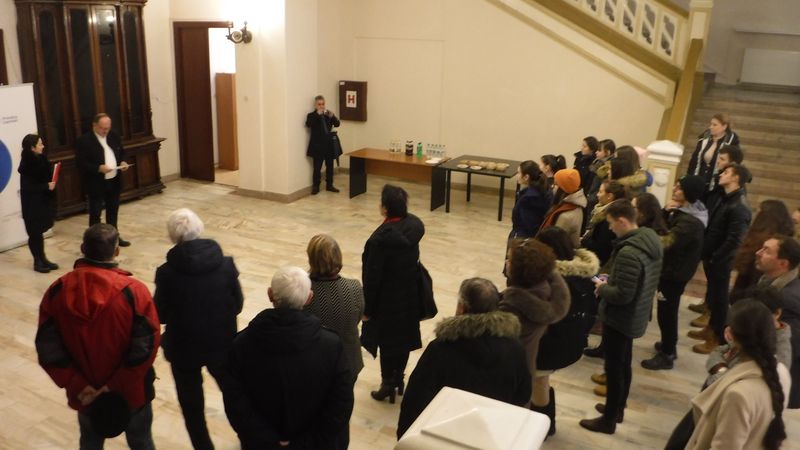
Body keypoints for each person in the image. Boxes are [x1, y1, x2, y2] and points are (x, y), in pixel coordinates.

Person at [36, 224, 160, 449]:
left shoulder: (57, 291)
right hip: (131, 391)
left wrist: (77, 384)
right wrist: (115, 385)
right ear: (117, 251)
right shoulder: (134, 291)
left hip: (86, 394)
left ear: (83, 248)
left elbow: (48, 347)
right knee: (141, 442)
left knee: (90, 443)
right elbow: (146, 346)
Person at [223, 267, 353, 449]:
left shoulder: (240, 344)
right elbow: (341, 404)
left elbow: (235, 403)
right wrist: (305, 443)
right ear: (309, 298)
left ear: (270, 294)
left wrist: (268, 440)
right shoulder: (332, 345)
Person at [153, 208, 244, 450]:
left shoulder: (166, 273)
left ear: (173, 236)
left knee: (192, 407)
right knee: (234, 395)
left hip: (183, 348)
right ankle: (249, 437)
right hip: (222, 343)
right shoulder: (226, 264)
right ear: (200, 228)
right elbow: (237, 305)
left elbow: (159, 314)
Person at [396, 278, 531, 439]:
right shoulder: (515, 348)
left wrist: (405, 437)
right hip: (489, 434)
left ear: (461, 307)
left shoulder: (441, 349)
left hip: (445, 433)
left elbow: (416, 399)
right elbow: (523, 394)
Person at [664, 287, 793, 450]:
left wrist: (721, 373)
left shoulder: (737, 394)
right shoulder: (780, 371)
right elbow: (718, 352)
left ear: (732, 336)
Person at [579, 200, 662, 434]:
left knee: (615, 368)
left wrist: (602, 288)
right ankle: (617, 408)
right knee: (624, 363)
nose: (610, 228)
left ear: (623, 221)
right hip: (635, 314)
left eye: (611, 223)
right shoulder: (650, 239)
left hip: (621, 317)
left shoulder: (629, 252)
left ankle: (608, 420)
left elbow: (623, 295)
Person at [499, 238, 570, 436]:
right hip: (528, 363)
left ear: (522, 270)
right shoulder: (545, 291)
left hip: (509, 370)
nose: (506, 262)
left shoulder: (513, 306)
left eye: (510, 260)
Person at [361, 185, 425, 403]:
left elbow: (372, 278)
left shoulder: (380, 241)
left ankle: (387, 384)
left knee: (387, 344)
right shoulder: (413, 227)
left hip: (386, 302)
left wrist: (367, 309)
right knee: (403, 340)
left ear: (386, 208)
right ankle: (399, 380)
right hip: (409, 296)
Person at [534, 227, 599, 435]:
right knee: (541, 381)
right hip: (573, 340)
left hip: (551, 344)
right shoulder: (584, 275)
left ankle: (543, 426)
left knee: (539, 380)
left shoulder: (554, 281)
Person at [641, 176, 707, 370]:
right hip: (674, 270)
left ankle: (668, 353)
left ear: (689, 194)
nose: (674, 189)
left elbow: (666, 242)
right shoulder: (685, 213)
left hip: (674, 273)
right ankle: (668, 344)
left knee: (667, 312)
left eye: (679, 188)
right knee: (667, 310)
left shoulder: (689, 222)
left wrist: (662, 215)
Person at [690, 164, 752, 354]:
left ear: (736, 178)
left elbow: (734, 240)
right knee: (715, 297)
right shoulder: (726, 198)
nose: (721, 174)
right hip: (714, 256)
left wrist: (716, 257)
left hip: (722, 260)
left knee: (720, 300)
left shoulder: (739, 206)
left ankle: (717, 338)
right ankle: (711, 329)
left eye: (726, 172)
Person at [304, 234, 365, 382]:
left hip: (315, 364)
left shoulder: (303, 291)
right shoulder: (354, 287)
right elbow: (357, 318)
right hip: (348, 361)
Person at [754, 235, 800, 408]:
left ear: (783, 263)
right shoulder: (769, 282)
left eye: (766, 251)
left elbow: (785, 346)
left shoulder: (788, 299)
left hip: (769, 382)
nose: (758, 252)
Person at [75, 113, 131, 247]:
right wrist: (98, 168)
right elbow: (80, 163)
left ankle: (114, 237)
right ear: (94, 126)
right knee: (95, 213)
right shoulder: (84, 141)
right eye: (102, 128)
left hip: (114, 180)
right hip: (96, 183)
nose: (105, 131)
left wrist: (123, 162)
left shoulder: (113, 136)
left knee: (113, 210)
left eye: (108, 128)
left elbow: (121, 152)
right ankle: (94, 242)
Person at [729, 200, 794, 302]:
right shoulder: (783, 242)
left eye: (759, 212)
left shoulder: (761, 242)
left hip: (753, 297)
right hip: (753, 295)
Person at [18, 133, 58, 273]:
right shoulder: (26, 165)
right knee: (34, 234)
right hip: (32, 206)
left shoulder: (41, 159)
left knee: (39, 233)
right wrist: (46, 186)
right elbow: (28, 187)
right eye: (40, 144)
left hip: (42, 202)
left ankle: (43, 258)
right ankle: (37, 261)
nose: (43, 146)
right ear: (32, 147)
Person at [687, 113, 740, 190]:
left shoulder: (731, 143)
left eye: (714, 125)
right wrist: (689, 177)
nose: (710, 127)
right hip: (699, 181)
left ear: (724, 126)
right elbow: (694, 159)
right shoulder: (705, 138)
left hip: (717, 185)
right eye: (711, 124)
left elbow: (733, 165)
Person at [581, 180, 626, 269]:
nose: (597, 194)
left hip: (598, 263)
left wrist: (584, 241)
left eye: (600, 192)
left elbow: (602, 247)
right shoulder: (602, 211)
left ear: (609, 196)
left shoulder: (608, 218)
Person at [539, 168, 586, 247]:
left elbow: (554, 243)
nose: (553, 186)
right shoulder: (577, 205)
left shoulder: (565, 216)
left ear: (563, 189)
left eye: (556, 184)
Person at [305, 95, 341, 194]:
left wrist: (333, 116)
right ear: (315, 105)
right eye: (319, 104)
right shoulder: (311, 115)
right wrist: (317, 114)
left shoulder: (327, 114)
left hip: (328, 145)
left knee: (330, 166)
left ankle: (329, 185)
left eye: (323, 104)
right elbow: (308, 124)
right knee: (317, 168)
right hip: (317, 146)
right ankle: (316, 186)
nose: (321, 106)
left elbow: (337, 124)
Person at [510, 160, 552, 239]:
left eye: (519, 173)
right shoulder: (542, 188)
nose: (517, 175)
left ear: (526, 177)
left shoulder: (529, 198)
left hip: (523, 237)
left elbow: (529, 225)